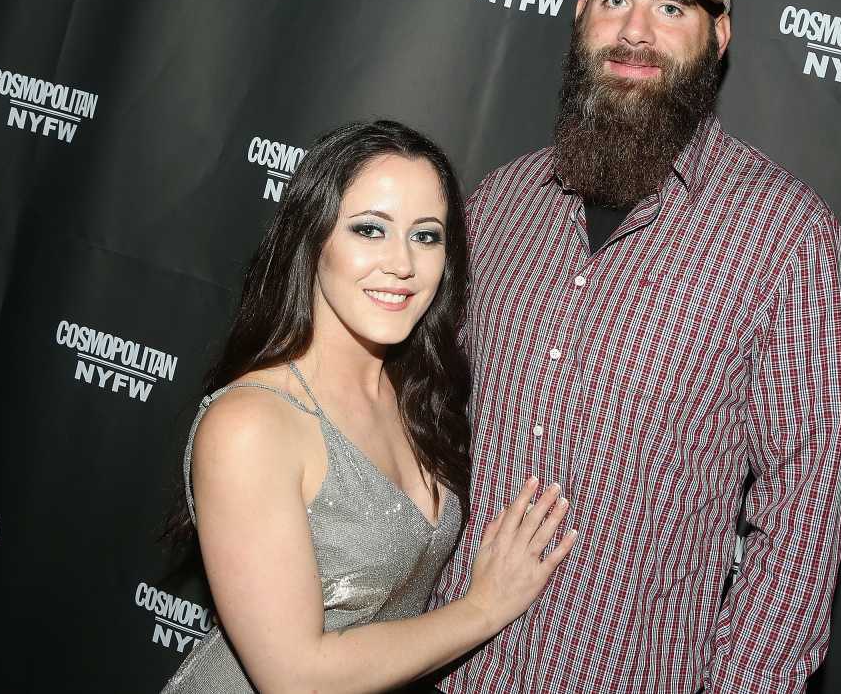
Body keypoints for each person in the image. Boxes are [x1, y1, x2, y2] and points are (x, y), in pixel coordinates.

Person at [428, 0, 841, 694]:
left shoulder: (788, 238)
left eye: (672, 6)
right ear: (580, 16)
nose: (636, 31)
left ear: (718, 36)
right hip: (452, 669)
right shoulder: (499, 203)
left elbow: (802, 512)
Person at [159, 121, 578, 693]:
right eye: (369, 229)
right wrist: (484, 607)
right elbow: (295, 679)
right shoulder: (250, 424)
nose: (402, 263)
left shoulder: (414, 397)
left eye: (426, 236)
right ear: (313, 240)